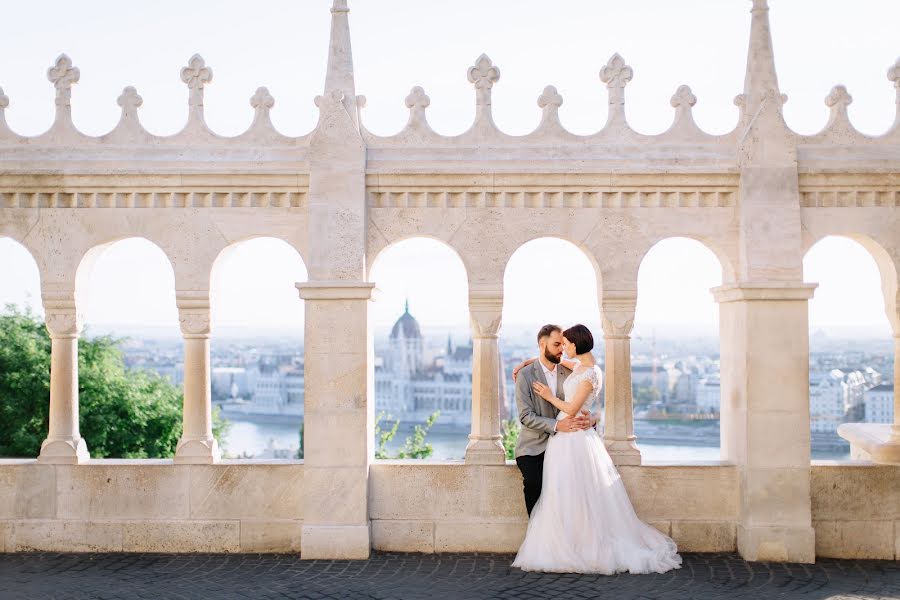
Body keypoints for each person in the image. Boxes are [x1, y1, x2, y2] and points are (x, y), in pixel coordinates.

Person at [511, 324, 682, 575]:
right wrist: (527, 362)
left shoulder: (586, 372)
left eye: (565, 344)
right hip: (547, 441)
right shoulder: (567, 368)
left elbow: (574, 407)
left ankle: (576, 546)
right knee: (553, 492)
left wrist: (567, 406)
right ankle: (554, 543)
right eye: (558, 344)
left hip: (572, 440)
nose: (562, 349)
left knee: (574, 493)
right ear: (543, 345)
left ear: (574, 345)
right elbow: (527, 414)